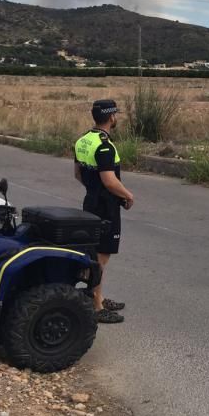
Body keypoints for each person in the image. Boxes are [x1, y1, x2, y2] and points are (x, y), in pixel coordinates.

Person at [74, 99, 134, 323]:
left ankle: (98, 295)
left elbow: (78, 174)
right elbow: (110, 181)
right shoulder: (105, 145)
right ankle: (97, 306)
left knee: (94, 252)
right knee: (101, 257)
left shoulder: (83, 141)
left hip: (90, 201)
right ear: (111, 117)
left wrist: (92, 190)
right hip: (106, 206)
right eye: (115, 114)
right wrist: (127, 195)